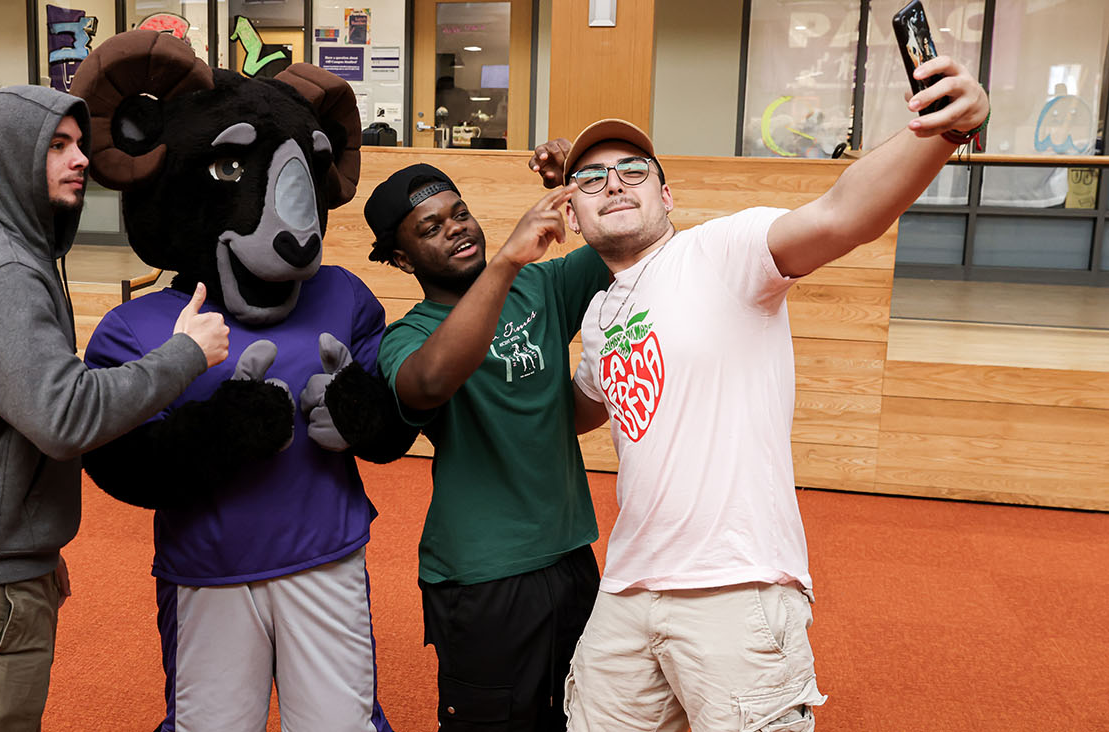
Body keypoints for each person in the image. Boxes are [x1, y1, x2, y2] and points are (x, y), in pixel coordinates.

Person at [537, 56, 990, 731]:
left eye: (634, 171)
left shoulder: (723, 253)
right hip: (629, 585)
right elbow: (582, 411)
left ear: (668, 197)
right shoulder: (601, 315)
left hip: (735, 582)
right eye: (592, 179)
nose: (614, 184)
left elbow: (845, 214)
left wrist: (943, 131)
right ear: (571, 213)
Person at [0, 85, 229, 732]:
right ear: (8, 160)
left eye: (78, 143)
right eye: (56, 146)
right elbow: (64, 416)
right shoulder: (3, 277)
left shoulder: (15, 257)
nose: (80, 160)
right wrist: (185, 354)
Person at [367, 162, 611, 730]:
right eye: (430, 228)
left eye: (460, 213)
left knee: (584, 717)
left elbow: (624, 231)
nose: (456, 229)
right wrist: (505, 261)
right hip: (482, 576)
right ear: (403, 260)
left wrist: (579, 175)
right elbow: (428, 383)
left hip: (572, 554)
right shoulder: (408, 337)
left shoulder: (541, 286)